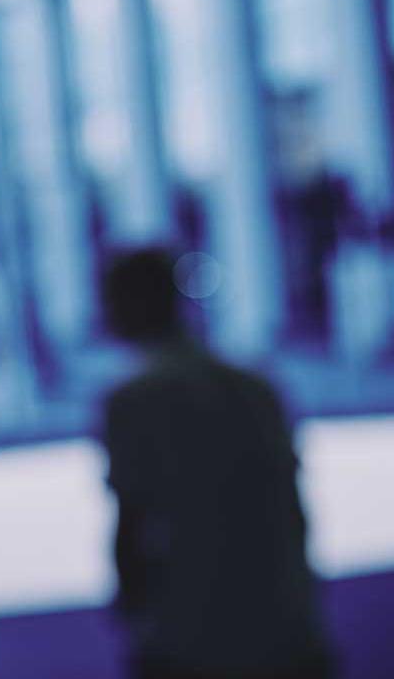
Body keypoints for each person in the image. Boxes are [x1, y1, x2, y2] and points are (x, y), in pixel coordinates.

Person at [98, 249, 333, 679]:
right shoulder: (257, 387)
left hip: (190, 635)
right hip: (285, 626)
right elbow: (294, 509)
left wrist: (136, 621)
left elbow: (131, 526)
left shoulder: (132, 402)